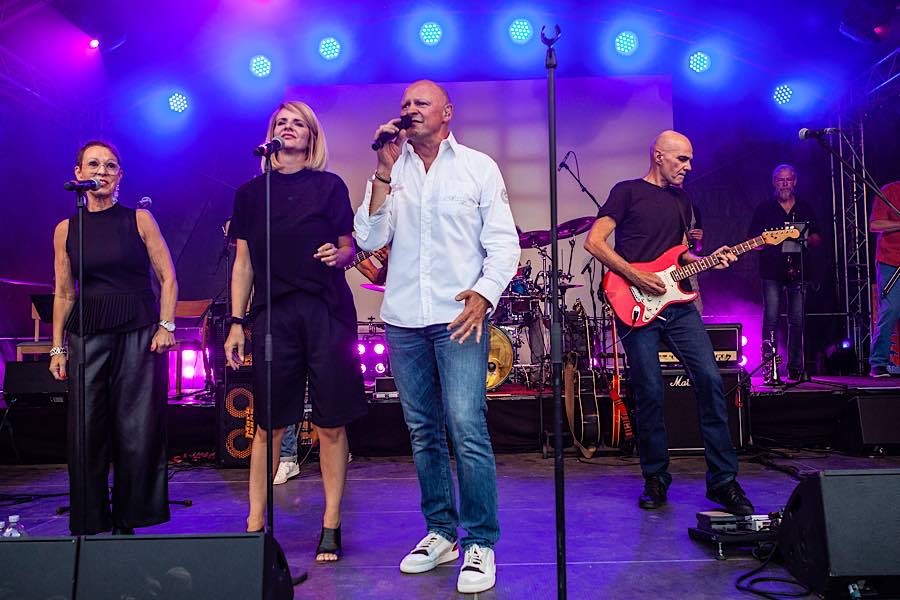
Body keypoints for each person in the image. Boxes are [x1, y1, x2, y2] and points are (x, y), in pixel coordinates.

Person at [353, 80, 519, 594]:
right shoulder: (391, 171)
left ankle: (480, 541)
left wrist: (485, 294)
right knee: (422, 429)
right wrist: (382, 170)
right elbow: (367, 239)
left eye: (420, 103)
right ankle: (441, 532)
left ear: (447, 112)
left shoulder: (477, 166)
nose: (409, 111)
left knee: (466, 425)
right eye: (404, 104)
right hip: (403, 318)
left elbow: (504, 244)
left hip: (458, 317)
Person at [224, 101, 367, 561]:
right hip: (272, 315)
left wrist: (339, 255)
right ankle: (255, 524)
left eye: (297, 123)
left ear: (311, 136)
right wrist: (236, 322)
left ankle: (331, 524)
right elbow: (243, 263)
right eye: (281, 122)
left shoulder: (329, 187)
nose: (288, 128)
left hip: (325, 311)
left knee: (329, 423)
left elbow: (351, 248)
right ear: (271, 136)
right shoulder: (250, 194)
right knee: (268, 424)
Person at [584, 130, 754, 515]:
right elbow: (594, 242)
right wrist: (636, 276)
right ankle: (656, 479)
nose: (688, 167)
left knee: (711, 380)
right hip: (635, 302)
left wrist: (710, 258)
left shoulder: (682, 200)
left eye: (690, 160)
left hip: (676, 306)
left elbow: (679, 259)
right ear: (658, 155)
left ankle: (723, 482)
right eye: (681, 159)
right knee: (649, 391)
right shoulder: (626, 191)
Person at [49, 140, 177, 535]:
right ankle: (89, 520)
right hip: (88, 332)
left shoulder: (139, 219)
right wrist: (57, 347)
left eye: (110, 166)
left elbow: (168, 277)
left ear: (120, 176)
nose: (101, 172)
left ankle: (130, 518)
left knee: (136, 426)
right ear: (78, 174)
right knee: (85, 428)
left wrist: (166, 325)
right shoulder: (67, 228)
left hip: (138, 330)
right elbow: (64, 292)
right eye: (93, 165)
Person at [273, 246, 388, 485]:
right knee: (286, 390)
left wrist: (386, 261)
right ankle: (287, 457)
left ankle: (334, 450)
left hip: (329, 315)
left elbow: (376, 277)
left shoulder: (348, 243)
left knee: (329, 388)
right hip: (289, 311)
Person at [748, 164, 821, 380]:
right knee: (771, 318)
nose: (785, 183)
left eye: (788, 179)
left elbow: (818, 237)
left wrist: (807, 238)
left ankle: (796, 367)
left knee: (797, 320)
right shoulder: (764, 209)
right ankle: (769, 368)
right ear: (774, 182)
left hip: (799, 270)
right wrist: (765, 241)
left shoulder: (805, 207)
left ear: (795, 181)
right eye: (780, 180)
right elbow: (753, 241)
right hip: (772, 270)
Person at [868, 181, 900, 377]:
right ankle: (878, 362)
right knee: (891, 308)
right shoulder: (889, 191)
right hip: (892, 261)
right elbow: (874, 224)